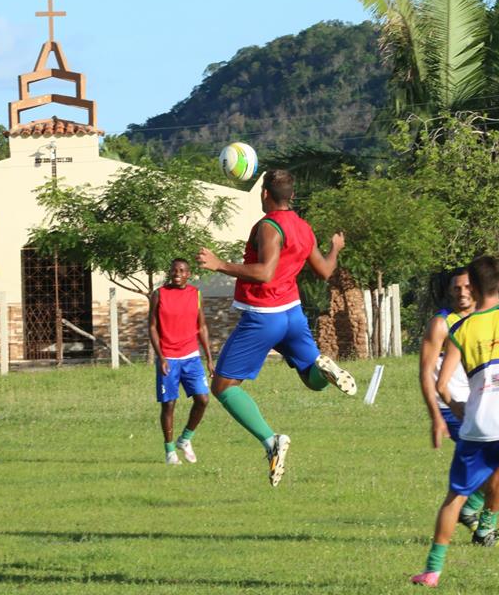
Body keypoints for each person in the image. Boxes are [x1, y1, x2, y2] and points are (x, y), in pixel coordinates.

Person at [197, 169, 356, 487]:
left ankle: (271, 441)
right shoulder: (303, 227)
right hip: (292, 315)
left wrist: (220, 264)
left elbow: (265, 272)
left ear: (266, 194)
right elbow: (325, 270)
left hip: (263, 317)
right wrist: (335, 248)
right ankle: (324, 368)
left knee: (223, 386)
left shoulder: (269, 227)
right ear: (292, 196)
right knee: (312, 380)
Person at [412, 256, 499, 595]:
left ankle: (432, 572)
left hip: (478, 429)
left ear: (473, 288)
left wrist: (462, 412)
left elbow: (442, 386)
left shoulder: (460, 329)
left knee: (454, 498)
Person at [419, 267, 499, 547]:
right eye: (456, 288)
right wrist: (436, 417)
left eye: (467, 287)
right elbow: (425, 373)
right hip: (452, 407)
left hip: (480, 404)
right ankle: (483, 528)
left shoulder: (487, 320)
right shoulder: (441, 323)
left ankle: (470, 509)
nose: (462, 292)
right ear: (450, 291)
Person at [149, 258, 213, 465]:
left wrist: (210, 358)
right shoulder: (159, 294)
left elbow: (202, 327)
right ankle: (169, 452)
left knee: (203, 399)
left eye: (182, 270)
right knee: (169, 404)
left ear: (188, 274)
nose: (177, 273)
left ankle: (185, 439)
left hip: (191, 357)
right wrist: (161, 357)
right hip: (168, 357)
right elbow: (152, 327)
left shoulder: (195, 294)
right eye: (174, 270)